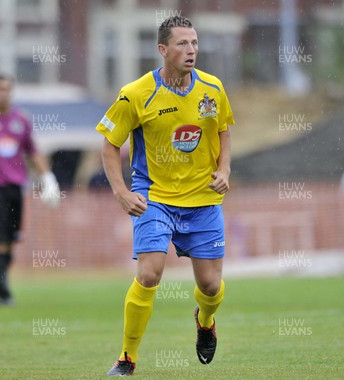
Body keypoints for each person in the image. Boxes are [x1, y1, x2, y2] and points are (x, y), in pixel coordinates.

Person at [97, 16, 235, 376]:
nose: (191, 51)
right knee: (149, 275)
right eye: (182, 44)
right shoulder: (136, 93)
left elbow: (222, 131)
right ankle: (127, 358)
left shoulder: (212, 88)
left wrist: (225, 170)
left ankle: (204, 321)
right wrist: (121, 192)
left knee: (211, 285)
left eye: (194, 43)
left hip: (202, 198)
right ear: (162, 49)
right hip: (154, 196)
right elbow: (110, 145)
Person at [0, 75, 60, 306]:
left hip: (15, 186)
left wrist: (48, 178)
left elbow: (33, 151)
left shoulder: (21, 120)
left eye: (6, 89)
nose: (3, 93)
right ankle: (4, 289)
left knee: (11, 239)